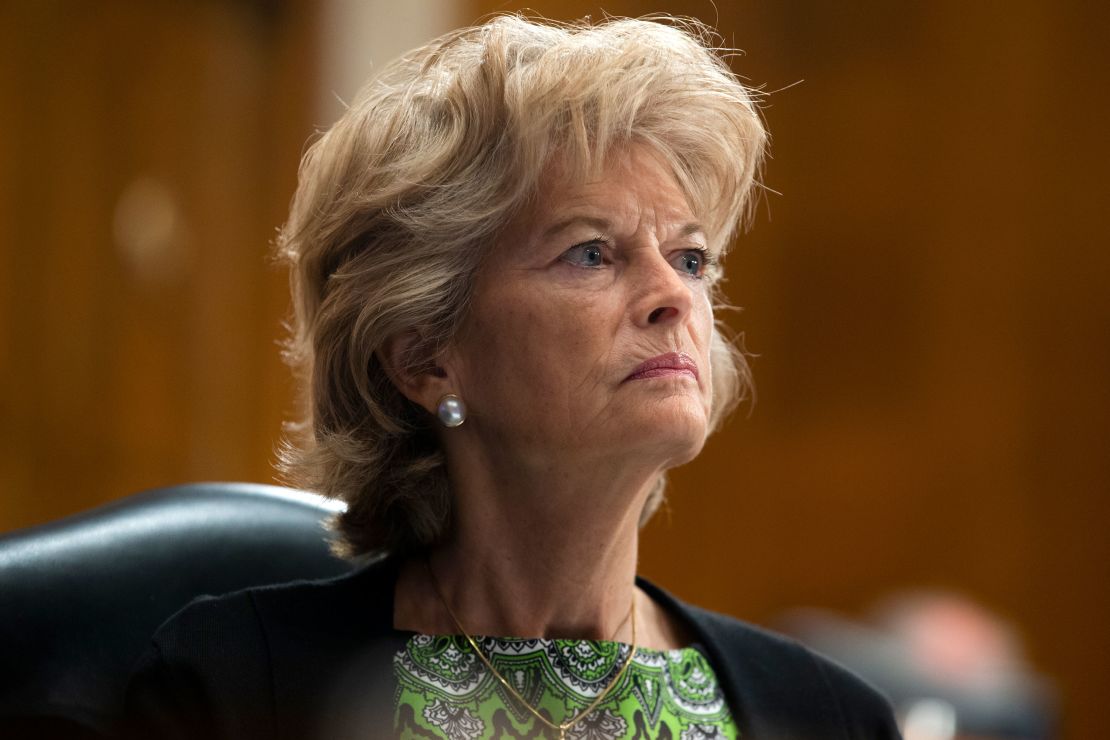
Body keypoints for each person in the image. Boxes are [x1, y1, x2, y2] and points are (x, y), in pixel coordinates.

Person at [124, 14, 901, 739]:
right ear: (425, 356)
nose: (674, 296)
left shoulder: (830, 718)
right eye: (592, 252)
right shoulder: (230, 687)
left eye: (690, 258)